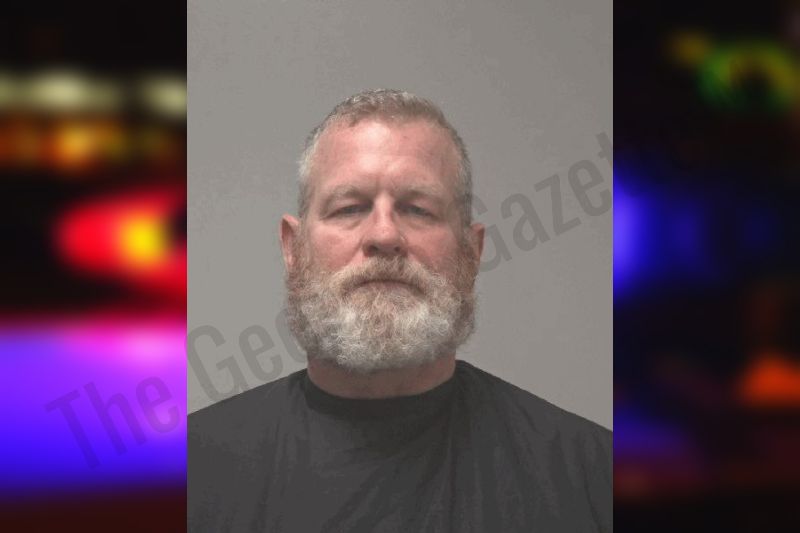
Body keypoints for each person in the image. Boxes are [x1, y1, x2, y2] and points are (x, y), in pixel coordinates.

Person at [188, 89, 612, 532]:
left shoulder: (593, 480)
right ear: (293, 248)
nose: (384, 235)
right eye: (349, 208)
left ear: (472, 252)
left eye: (418, 210)